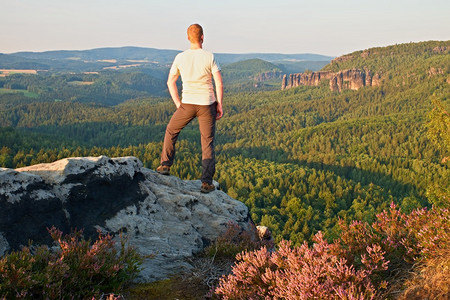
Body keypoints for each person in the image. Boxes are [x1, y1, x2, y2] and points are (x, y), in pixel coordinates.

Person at [157, 24, 223, 193]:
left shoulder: (180, 57)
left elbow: (170, 82)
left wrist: (178, 104)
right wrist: (219, 103)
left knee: (171, 131)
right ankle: (206, 183)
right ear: (203, 37)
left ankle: (165, 165)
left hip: (187, 103)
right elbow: (218, 82)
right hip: (207, 104)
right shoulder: (209, 56)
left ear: (188, 38)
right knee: (207, 142)